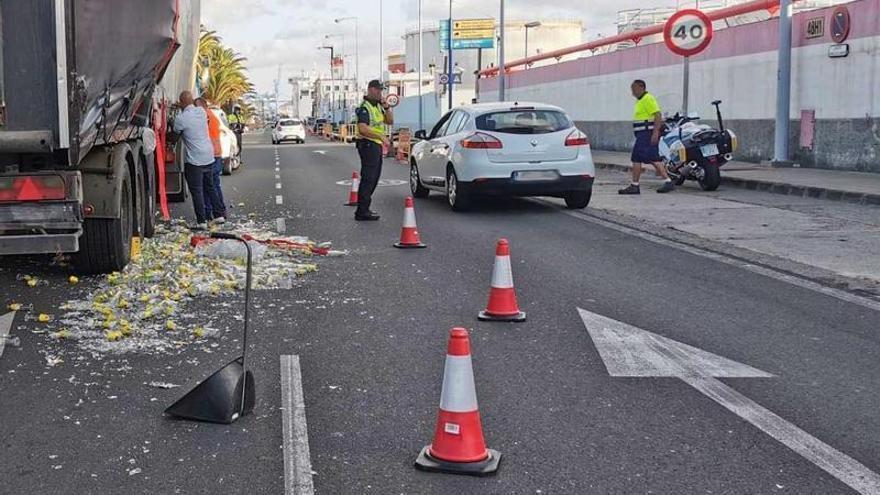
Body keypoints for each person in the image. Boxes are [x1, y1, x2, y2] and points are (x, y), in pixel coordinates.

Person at [173, 91, 226, 230]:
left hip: (195, 160)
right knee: (210, 186)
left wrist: (179, 110)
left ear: (181, 103)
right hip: (208, 156)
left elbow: (174, 135)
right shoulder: (201, 112)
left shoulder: (181, 118)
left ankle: (201, 221)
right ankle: (219, 214)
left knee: (197, 191)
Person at [619, 80, 675, 195]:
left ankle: (635, 185)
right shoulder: (640, 101)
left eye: (634, 90)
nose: (633, 93)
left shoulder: (648, 99)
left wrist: (655, 133)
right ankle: (668, 181)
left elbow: (658, 115)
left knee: (636, 158)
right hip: (643, 134)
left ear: (642, 87)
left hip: (646, 134)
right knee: (653, 158)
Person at [353, 80, 393, 221]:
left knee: (374, 178)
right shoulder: (365, 107)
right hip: (368, 144)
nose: (379, 92)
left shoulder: (377, 106)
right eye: (377, 90)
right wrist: (381, 136)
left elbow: (389, 121)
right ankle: (362, 211)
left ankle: (364, 208)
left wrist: (387, 107)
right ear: (370, 89)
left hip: (375, 145)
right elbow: (363, 129)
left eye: (381, 90)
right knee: (369, 178)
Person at [194, 97, 227, 224]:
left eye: (195, 107)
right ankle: (220, 210)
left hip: (209, 155)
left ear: (201, 106)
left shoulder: (204, 117)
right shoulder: (213, 115)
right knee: (214, 185)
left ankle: (209, 213)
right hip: (217, 153)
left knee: (208, 185)